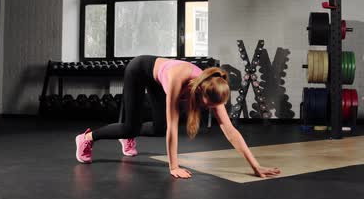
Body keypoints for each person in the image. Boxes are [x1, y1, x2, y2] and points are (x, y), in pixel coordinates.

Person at [74, 55, 281, 179]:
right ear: (199, 93)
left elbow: (230, 131)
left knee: (159, 129)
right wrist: (174, 166)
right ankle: (87, 138)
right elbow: (174, 126)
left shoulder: (214, 87)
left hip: (158, 79)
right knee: (130, 127)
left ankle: (130, 134)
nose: (208, 109)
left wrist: (256, 166)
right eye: (206, 106)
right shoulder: (178, 80)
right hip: (140, 70)